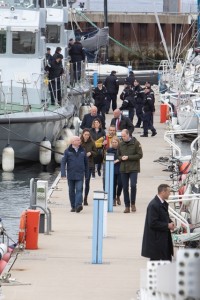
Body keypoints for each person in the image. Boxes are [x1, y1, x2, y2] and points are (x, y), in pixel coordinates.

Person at [141, 184, 174, 261]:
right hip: (156, 242)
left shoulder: (161, 203)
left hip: (162, 241)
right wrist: (167, 225)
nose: (170, 194)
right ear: (163, 192)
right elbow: (152, 223)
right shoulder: (154, 205)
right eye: (168, 192)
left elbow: (163, 216)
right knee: (157, 265)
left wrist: (170, 222)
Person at [61, 136, 88, 213]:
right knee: (71, 191)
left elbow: (86, 163)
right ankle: (73, 206)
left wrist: (87, 174)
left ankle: (78, 205)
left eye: (79, 140)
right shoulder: (67, 151)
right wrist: (63, 173)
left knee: (79, 189)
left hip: (80, 174)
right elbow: (63, 162)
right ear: (72, 142)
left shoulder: (83, 150)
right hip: (71, 174)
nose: (80, 141)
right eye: (78, 140)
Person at [118, 129, 143, 213]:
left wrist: (128, 157)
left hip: (133, 168)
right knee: (125, 187)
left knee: (133, 185)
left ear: (128, 135)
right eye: (122, 136)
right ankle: (127, 206)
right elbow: (118, 155)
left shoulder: (136, 143)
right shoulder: (120, 144)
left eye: (124, 136)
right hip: (123, 168)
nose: (123, 137)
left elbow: (140, 155)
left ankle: (133, 203)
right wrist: (121, 158)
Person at [80, 129, 97, 206]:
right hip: (80, 164)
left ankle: (85, 198)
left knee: (87, 182)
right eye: (85, 134)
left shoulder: (92, 143)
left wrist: (91, 153)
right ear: (83, 134)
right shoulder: (79, 142)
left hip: (89, 164)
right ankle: (79, 198)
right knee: (80, 182)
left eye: (88, 135)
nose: (86, 136)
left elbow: (96, 152)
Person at [106, 137, 122, 206]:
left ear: (118, 143)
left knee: (121, 184)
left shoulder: (121, 149)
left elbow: (123, 157)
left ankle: (118, 195)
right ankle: (113, 198)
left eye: (115, 142)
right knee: (113, 184)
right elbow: (106, 158)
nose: (114, 144)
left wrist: (118, 160)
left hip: (120, 168)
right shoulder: (109, 150)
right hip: (112, 168)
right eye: (113, 142)